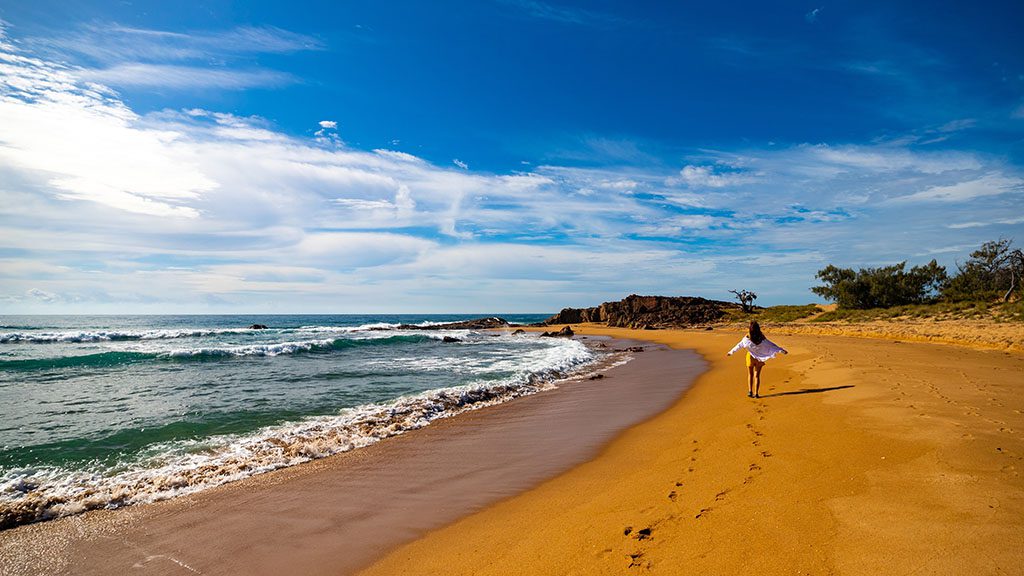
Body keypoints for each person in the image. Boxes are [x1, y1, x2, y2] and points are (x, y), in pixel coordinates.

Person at [727, 321, 787, 398]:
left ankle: (750, 391)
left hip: (750, 357)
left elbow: (739, 345)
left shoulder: (747, 337)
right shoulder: (761, 337)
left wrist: (731, 352)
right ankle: (756, 394)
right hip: (760, 358)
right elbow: (771, 345)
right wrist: (781, 350)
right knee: (757, 376)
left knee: (750, 374)